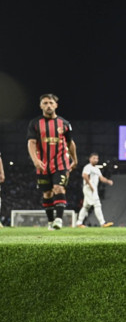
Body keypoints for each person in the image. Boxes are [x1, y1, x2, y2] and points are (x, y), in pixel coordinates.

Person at [26, 94, 78, 230]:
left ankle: (59, 220)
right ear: (40, 106)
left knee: (59, 188)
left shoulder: (64, 124)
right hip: (43, 164)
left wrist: (75, 159)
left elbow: (70, 143)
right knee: (47, 193)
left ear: (56, 105)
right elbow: (31, 143)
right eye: (45, 103)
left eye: (50, 103)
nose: (48, 105)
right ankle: (50, 222)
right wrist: (35, 160)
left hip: (61, 163)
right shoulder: (35, 123)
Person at [77, 153, 114, 228]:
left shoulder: (96, 169)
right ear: (90, 159)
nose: (96, 160)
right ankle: (102, 223)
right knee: (97, 204)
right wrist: (90, 185)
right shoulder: (88, 167)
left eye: (97, 158)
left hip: (93, 188)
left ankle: (79, 223)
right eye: (94, 158)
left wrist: (108, 181)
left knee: (86, 206)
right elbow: (84, 175)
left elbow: (101, 178)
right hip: (89, 187)